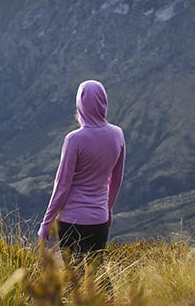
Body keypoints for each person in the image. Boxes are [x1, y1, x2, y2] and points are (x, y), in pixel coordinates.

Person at [38, 80, 126, 269]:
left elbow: (62, 186)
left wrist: (46, 223)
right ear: (104, 102)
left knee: (74, 278)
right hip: (100, 220)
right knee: (98, 274)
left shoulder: (74, 140)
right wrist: (108, 209)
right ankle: (111, 300)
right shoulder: (118, 135)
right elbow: (116, 181)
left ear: (80, 104)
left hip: (72, 220)